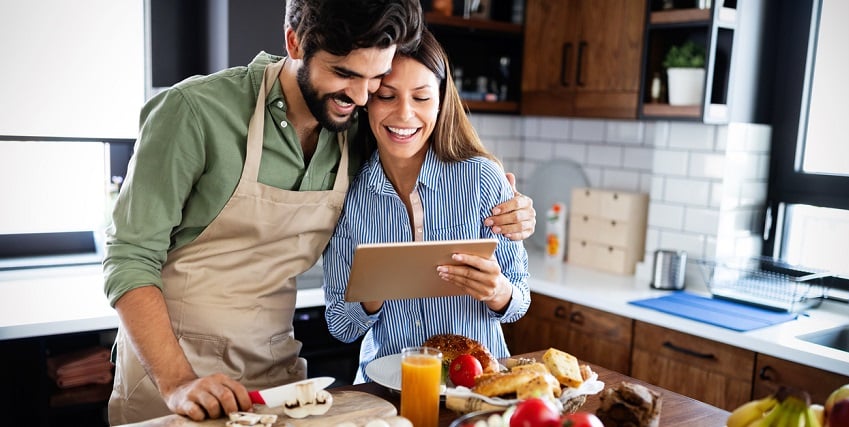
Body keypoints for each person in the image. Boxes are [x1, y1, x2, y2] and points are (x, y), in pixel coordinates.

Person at [103, 0, 535, 424]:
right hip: (179, 374)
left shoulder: (354, 130)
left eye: (375, 78)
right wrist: (178, 381)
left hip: (277, 373)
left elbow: (419, 146)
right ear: (294, 42)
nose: (361, 96)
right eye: (345, 74)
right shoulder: (194, 112)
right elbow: (129, 257)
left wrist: (516, 209)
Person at [322, 28, 530, 383]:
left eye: (421, 98)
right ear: (367, 101)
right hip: (387, 391)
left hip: (476, 388)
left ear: (440, 101)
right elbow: (341, 327)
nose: (404, 115)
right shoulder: (348, 194)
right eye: (387, 96)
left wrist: (498, 291)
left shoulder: (481, 178)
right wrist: (375, 290)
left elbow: (520, 298)